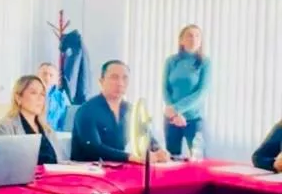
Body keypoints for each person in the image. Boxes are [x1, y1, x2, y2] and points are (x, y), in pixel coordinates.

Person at [71, 60, 171, 163]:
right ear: (101, 81)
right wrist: (130, 157)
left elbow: (147, 137)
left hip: (117, 168)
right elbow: (93, 148)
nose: (120, 83)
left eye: (125, 78)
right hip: (85, 169)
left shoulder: (131, 110)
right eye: (114, 77)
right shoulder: (87, 110)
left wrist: (159, 151)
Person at [0, 75, 66, 164]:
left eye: (42, 94)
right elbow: (0, 165)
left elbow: (62, 161)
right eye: (34, 93)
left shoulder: (48, 130)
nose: (40, 99)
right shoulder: (3, 128)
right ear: (18, 98)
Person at [162, 24, 211, 158]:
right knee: (171, 158)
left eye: (197, 36)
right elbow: (165, 89)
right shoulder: (171, 61)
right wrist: (174, 114)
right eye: (189, 35)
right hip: (172, 118)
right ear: (181, 40)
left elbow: (201, 92)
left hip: (194, 119)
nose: (193, 39)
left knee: (198, 159)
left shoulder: (205, 62)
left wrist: (177, 109)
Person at [37, 62, 70, 131]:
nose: (47, 78)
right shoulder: (29, 94)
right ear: (37, 76)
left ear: (57, 79)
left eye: (51, 75)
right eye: (44, 74)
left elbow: (67, 122)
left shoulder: (62, 97)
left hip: (56, 134)